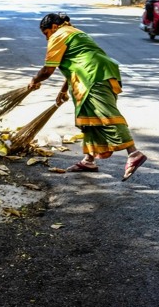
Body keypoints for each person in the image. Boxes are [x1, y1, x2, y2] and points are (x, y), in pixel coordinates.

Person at [28, 13, 147, 181]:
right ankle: (89, 160)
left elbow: (48, 70)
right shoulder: (73, 32)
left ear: (53, 28)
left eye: (46, 33)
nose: (47, 38)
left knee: (105, 114)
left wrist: (34, 80)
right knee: (89, 118)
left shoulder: (58, 35)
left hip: (92, 77)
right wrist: (63, 90)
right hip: (95, 75)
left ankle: (133, 153)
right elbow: (74, 63)